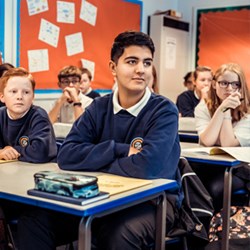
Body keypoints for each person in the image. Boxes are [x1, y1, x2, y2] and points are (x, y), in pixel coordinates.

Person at [17, 31, 181, 250]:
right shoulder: (98, 108)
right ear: (113, 67)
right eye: (131, 61)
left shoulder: (164, 110)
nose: (141, 69)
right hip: (98, 195)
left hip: (152, 201)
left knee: (119, 233)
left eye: (147, 62)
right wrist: (118, 150)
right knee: (34, 221)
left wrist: (94, 159)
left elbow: (147, 167)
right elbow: (67, 156)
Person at [194, 62, 250, 211]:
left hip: (240, 169)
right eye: (224, 83)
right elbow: (207, 141)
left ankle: (215, 230)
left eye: (235, 84)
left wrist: (226, 111)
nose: (230, 89)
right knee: (189, 183)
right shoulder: (203, 106)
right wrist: (221, 109)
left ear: (241, 86)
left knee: (214, 189)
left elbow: (228, 144)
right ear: (214, 84)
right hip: (210, 165)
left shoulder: (248, 111)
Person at [0, 67, 57, 162]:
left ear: (33, 97)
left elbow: (40, 152)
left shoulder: (38, 116)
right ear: (2, 97)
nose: (19, 97)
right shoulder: (1, 114)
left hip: (39, 170)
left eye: (26, 92)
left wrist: (11, 151)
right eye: (13, 91)